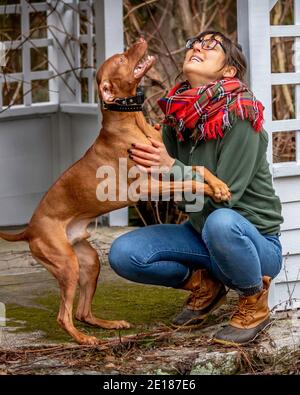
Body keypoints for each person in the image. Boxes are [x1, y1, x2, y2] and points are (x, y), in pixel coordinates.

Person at [108, 31, 283, 346]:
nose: (198, 47)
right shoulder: (179, 115)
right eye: (194, 43)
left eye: (211, 44)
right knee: (124, 254)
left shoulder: (241, 116)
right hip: (202, 235)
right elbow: (175, 189)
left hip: (255, 247)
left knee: (222, 222)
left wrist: (170, 169)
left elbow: (225, 196)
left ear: (229, 71)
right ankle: (207, 284)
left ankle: (253, 302)